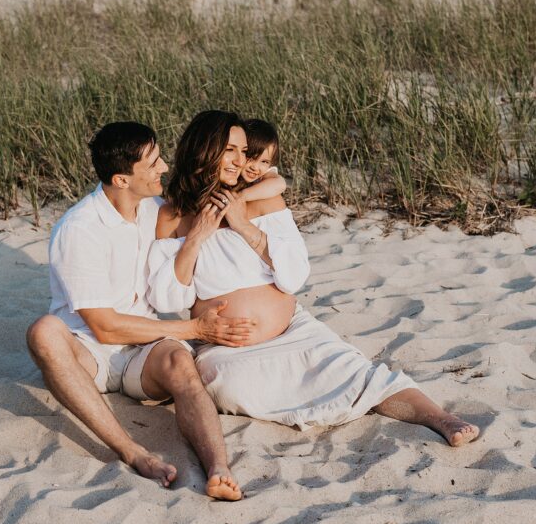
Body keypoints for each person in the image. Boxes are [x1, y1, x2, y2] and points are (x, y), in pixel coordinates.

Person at [148, 111, 480, 444]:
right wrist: (195, 238)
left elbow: (294, 277)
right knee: (233, 385)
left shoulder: (263, 198)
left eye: (244, 150)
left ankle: (441, 418)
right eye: (231, 150)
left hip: (293, 332)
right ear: (205, 150)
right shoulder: (172, 214)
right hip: (229, 349)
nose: (241, 160)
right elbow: (168, 299)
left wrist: (243, 225)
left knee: (356, 371)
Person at [25, 122, 251, 500]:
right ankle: (133, 453)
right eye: (153, 163)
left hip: (143, 349)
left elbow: (220, 196)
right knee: (43, 333)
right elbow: (105, 328)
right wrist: (196, 329)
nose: (164, 167)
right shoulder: (79, 228)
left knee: (181, 366)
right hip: (88, 350)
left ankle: (219, 469)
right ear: (122, 179)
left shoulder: (156, 209)